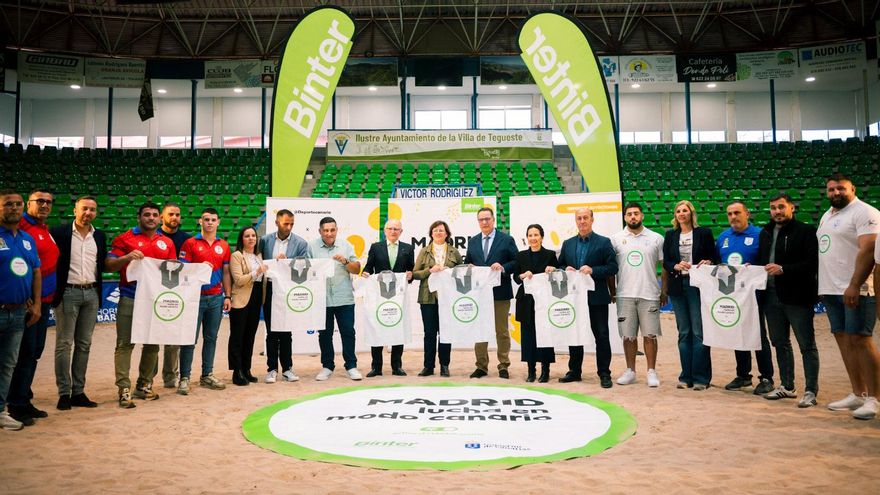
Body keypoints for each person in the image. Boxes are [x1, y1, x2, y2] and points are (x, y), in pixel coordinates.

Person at [818, 174, 880, 420]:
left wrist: (855, 284)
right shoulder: (827, 215)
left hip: (856, 289)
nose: (835, 193)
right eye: (831, 189)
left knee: (860, 340)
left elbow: (868, 250)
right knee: (843, 340)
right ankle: (858, 393)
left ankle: (875, 399)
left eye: (840, 188)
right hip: (832, 289)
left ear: (852, 188)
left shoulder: (865, 213)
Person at [105, 201, 176, 408]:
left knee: (153, 344)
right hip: (130, 297)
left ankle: (144, 384)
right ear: (139, 217)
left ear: (159, 218)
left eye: (155, 215)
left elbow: (172, 271)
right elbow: (108, 264)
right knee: (125, 343)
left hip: (156, 301)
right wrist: (127, 257)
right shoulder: (125, 238)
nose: (151, 218)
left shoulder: (167, 242)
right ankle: (123, 388)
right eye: (147, 215)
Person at [758, 193, 820, 408]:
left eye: (781, 207)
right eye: (773, 208)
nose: (777, 211)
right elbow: (761, 261)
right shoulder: (765, 232)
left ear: (791, 208)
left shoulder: (806, 231)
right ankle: (787, 386)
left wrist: (784, 269)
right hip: (771, 297)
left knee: (806, 345)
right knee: (780, 343)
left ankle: (811, 390)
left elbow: (812, 264)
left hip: (798, 297)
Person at [7, 189, 58, 427]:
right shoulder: (22, 227)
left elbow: (38, 267)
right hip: (26, 304)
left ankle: (23, 399)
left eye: (48, 202)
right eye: (40, 201)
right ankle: (15, 404)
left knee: (33, 352)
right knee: (22, 354)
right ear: (29, 204)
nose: (45, 205)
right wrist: (29, 297)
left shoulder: (42, 229)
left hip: (43, 302)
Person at [51, 196, 106, 410]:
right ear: (75, 210)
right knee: (64, 344)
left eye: (92, 209)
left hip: (91, 293)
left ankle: (79, 392)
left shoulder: (99, 236)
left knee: (84, 344)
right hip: (68, 292)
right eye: (84, 209)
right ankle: (64, 392)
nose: (88, 213)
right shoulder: (59, 233)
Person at [716, 201, 775, 395]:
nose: (733, 217)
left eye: (737, 212)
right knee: (737, 334)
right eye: (730, 213)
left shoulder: (760, 235)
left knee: (758, 335)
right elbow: (718, 265)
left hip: (756, 296)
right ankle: (743, 376)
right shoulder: (723, 238)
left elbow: (767, 263)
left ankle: (766, 377)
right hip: (733, 295)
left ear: (747, 214)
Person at [556, 207, 619, 387]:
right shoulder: (568, 244)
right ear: (575, 221)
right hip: (574, 298)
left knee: (602, 335)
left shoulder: (604, 242)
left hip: (596, 297)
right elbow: (560, 266)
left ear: (592, 220)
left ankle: (604, 373)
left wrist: (593, 270)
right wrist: (563, 269)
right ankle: (575, 371)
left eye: (585, 218)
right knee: (574, 335)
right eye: (579, 218)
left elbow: (613, 267)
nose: (582, 221)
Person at [662, 200, 718, 391]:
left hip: (698, 286)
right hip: (678, 286)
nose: (681, 213)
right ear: (675, 215)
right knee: (684, 332)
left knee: (698, 332)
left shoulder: (704, 233)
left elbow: (714, 257)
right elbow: (666, 262)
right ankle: (686, 376)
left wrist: (708, 261)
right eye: (678, 211)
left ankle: (702, 378)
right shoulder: (670, 235)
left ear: (691, 213)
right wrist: (675, 265)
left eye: (685, 210)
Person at [177, 207, 231, 395]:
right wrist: (198, 267)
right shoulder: (190, 243)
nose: (209, 222)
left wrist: (228, 295)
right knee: (189, 340)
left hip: (216, 298)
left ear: (218, 222)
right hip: (194, 298)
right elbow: (182, 270)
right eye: (206, 219)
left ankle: (207, 374)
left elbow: (225, 272)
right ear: (200, 221)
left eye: (213, 219)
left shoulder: (223, 245)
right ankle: (184, 377)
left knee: (211, 338)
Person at [610, 202, 665, 387]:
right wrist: (613, 291)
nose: (633, 217)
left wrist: (663, 290)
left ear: (642, 216)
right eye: (629, 214)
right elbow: (611, 269)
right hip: (625, 294)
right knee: (628, 336)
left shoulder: (656, 238)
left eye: (636, 213)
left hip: (649, 293)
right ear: (625, 217)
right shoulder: (616, 239)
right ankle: (630, 371)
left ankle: (651, 371)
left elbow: (664, 266)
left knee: (650, 335)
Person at [0, 190, 41, 431]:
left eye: (17, 204)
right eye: (7, 204)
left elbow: (35, 271)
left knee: (7, 365)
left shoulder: (27, 238)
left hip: (18, 314)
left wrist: (36, 303)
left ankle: (0, 411)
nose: (14, 208)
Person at [464, 207, 517, 379]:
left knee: (501, 330)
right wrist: (469, 267)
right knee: (480, 330)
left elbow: (516, 262)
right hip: (479, 294)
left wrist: (503, 267)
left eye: (487, 219)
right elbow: (468, 263)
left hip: (500, 293)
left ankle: (503, 365)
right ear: (478, 221)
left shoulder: (506, 239)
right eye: (481, 219)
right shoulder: (472, 242)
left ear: (493, 220)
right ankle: (481, 366)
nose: (484, 222)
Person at [258, 209, 309, 383]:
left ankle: (287, 368)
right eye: (286, 223)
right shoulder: (264, 241)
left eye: (291, 224)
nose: (289, 227)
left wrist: (287, 262)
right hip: (270, 289)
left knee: (286, 331)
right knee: (271, 331)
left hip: (289, 291)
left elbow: (303, 269)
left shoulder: (301, 243)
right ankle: (272, 369)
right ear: (277, 222)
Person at [310, 216, 362, 381]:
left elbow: (356, 269)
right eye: (325, 230)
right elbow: (305, 271)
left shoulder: (346, 245)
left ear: (337, 230)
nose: (329, 233)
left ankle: (351, 366)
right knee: (324, 334)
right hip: (321, 299)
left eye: (332, 230)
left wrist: (345, 261)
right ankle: (327, 366)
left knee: (348, 332)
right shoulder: (311, 247)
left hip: (344, 298)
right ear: (320, 231)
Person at [361, 219, 414, 377]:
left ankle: (396, 366)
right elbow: (369, 267)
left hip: (398, 297)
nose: (393, 231)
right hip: (379, 296)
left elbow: (410, 271)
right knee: (377, 329)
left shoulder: (408, 248)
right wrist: (366, 273)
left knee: (398, 328)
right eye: (390, 228)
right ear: (385, 231)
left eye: (396, 229)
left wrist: (410, 276)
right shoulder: (375, 247)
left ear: (401, 232)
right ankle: (376, 367)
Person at [412, 220, 463, 377]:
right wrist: (429, 270)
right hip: (428, 298)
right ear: (431, 234)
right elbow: (415, 273)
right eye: (435, 230)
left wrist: (450, 272)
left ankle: (445, 366)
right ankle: (428, 366)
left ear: (446, 234)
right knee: (429, 333)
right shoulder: (424, 251)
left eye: (441, 230)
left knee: (446, 333)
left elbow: (461, 273)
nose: (438, 233)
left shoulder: (454, 252)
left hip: (448, 299)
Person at [513, 224, 557, 383]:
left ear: (542, 237)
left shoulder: (551, 255)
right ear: (527, 238)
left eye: (536, 235)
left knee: (545, 335)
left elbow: (557, 276)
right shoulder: (521, 256)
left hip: (545, 301)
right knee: (528, 336)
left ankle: (545, 370)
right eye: (530, 235)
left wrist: (553, 269)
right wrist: (523, 275)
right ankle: (531, 370)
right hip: (526, 301)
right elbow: (515, 278)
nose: (533, 238)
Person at [158, 202, 191, 389]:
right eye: (170, 214)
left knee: (173, 338)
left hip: (177, 292)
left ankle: (170, 376)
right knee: (152, 338)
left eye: (177, 214)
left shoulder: (186, 239)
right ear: (162, 217)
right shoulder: (154, 236)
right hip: (155, 292)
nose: (174, 218)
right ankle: (146, 378)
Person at [228, 226, 266, 386]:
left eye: (253, 236)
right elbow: (238, 280)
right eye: (247, 236)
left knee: (250, 335)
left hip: (256, 297)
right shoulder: (236, 256)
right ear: (241, 239)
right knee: (238, 336)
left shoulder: (259, 256)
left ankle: (246, 369)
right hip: (241, 298)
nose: (251, 238)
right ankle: (237, 372)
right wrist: (256, 272)